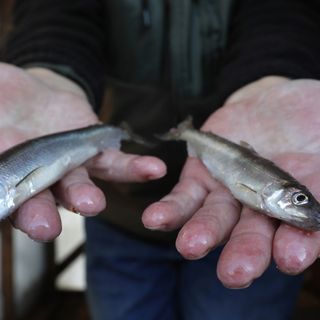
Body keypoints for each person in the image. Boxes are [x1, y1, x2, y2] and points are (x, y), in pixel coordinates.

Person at [3, 0, 320, 319]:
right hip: (119, 214)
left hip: (239, 229)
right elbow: (55, 13)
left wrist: (277, 75)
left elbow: (285, 11)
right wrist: (46, 69)